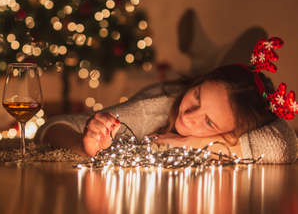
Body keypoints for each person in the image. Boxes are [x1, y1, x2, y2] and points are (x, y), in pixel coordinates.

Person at [36, 64, 297, 164]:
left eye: (208, 121)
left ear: (232, 131)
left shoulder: (249, 130)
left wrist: (190, 143)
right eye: (197, 96)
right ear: (198, 82)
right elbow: (52, 126)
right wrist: (85, 147)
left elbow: (285, 145)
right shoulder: (155, 108)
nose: (190, 114)